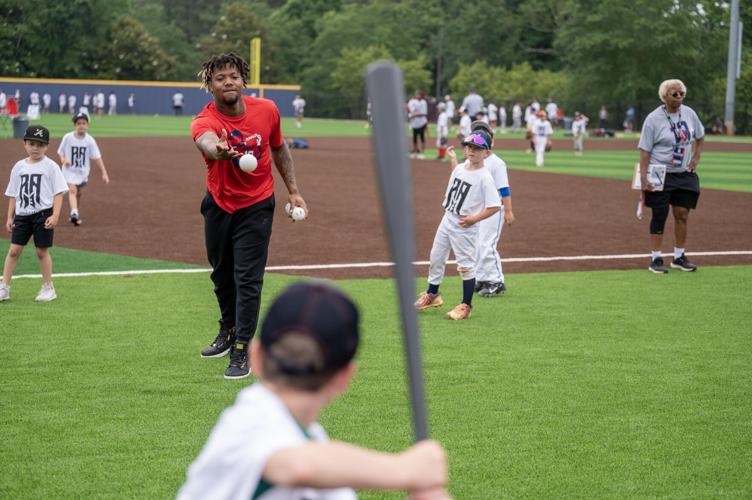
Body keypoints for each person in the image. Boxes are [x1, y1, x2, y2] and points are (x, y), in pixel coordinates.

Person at [177, 282, 450, 499]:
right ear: (344, 377)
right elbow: (298, 466)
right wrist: (403, 469)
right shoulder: (252, 421)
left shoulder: (313, 447)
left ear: (256, 356)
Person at [192, 52, 308, 380]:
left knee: (248, 278)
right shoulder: (205, 120)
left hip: (257, 205)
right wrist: (220, 150)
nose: (228, 81)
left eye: (233, 76)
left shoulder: (267, 110)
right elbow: (207, 142)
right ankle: (228, 329)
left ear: (243, 80)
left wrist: (294, 190)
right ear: (210, 87)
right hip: (219, 204)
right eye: (219, 78)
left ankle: (243, 346)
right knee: (221, 273)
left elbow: (279, 147)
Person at [414, 130, 500, 321]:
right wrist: (453, 158)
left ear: (486, 153)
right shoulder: (462, 167)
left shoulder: (485, 177)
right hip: (448, 218)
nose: (471, 151)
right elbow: (457, 174)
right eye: (469, 146)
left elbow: (494, 206)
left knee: (465, 266)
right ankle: (433, 294)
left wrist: (473, 219)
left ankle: (466, 305)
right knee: (436, 256)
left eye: (477, 148)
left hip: (464, 225)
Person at [638, 79, 704, 274]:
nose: (679, 96)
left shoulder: (690, 113)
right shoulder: (653, 119)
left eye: (682, 93)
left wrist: (696, 156)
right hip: (660, 172)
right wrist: (644, 177)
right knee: (660, 214)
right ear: (664, 96)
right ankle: (656, 258)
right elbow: (644, 151)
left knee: (682, 213)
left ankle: (679, 256)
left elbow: (699, 136)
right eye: (674, 93)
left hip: (683, 173)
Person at [1, 125, 68, 303]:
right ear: (25, 144)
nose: (35, 148)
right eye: (31, 143)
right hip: (22, 215)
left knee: (41, 251)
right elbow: (13, 193)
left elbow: (59, 192)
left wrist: (55, 215)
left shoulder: (51, 167)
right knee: (14, 250)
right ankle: (4, 287)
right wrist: (9, 217)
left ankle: (48, 287)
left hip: (42, 214)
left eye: (40, 144)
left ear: (47, 146)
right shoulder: (18, 167)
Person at [468, 121, 514, 297]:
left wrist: (508, 211)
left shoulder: (496, 163)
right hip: (478, 211)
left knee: (487, 245)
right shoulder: (472, 162)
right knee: (478, 245)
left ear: (491, 141)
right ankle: (482, 278)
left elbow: (504, 189)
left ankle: (496, 281)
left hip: (493, 211)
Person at [57, 112, 110, 226]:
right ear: (74, 125)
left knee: (79, 192)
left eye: (84, 123)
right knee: (72, 190)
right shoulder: (68, 137)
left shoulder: (89, 140)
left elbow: (97, 157)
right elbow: (60, 153)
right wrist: (63, 160)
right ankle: (74, 213)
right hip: (69, 170)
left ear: (87, 125)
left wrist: (104, 173)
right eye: (78, 123)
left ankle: (74, 211)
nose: (81, 125)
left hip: (82, 172)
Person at [407, 90, 428, 159]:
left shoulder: (423, 102)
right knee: (414, 138)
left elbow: (424, 113)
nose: (417, 96)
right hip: (415, 123)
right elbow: (410, 109)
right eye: (416, 95)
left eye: (418, 95)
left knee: (422, 137)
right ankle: (415, 151)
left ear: (421, 96)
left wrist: (415, 114)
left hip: (421, 122)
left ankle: (422, 152)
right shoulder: (414, 102)